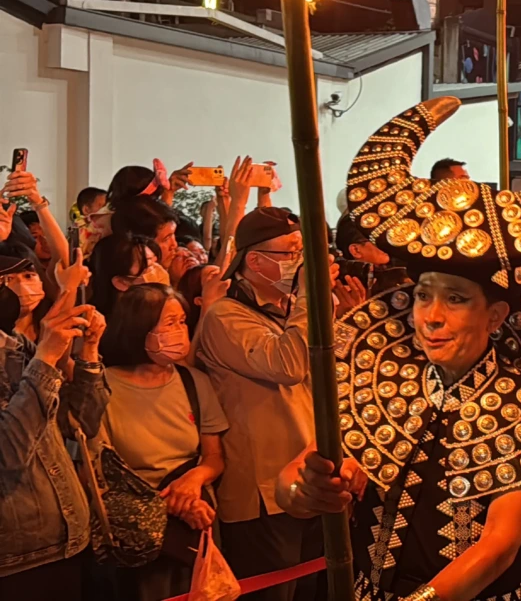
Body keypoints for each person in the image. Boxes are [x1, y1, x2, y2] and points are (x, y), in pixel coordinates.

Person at [277, 98, 521, 600]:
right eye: (423, 295)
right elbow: (294, 477)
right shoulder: (382, 375)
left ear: (496, 315)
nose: (431, 316)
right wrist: (306, 490)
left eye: (456, 299)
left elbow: (498, 548)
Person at [193, 206, 325, 601]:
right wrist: (308, 296)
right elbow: (288, 365)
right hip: (263, 496)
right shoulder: (225, 316)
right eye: (293, 253)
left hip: (309, 480)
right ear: (255, 260)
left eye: (305, 253)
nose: (302, 263)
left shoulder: (283, 311)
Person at [98, 284, 228, 601]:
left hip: (198, 518)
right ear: (139, 329)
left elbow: (213, 458)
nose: (180, 331)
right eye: (169, 323)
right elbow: (101, 471)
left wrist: (192, 483)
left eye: (183, 321)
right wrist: (170, 504)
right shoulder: (102, 387)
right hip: (137, 529)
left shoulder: (193, 381)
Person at [0, 261, 106, 601]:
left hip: (70, 535)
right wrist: (46, 357)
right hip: (17, 557)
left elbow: (83, 423)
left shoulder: (13, 344)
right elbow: (8, 455)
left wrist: (87, 352)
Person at [87, 233, 166, 316]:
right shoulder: (102, 324)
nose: (159, 270)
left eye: (156, 262)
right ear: (121, 282)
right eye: (149, 267)